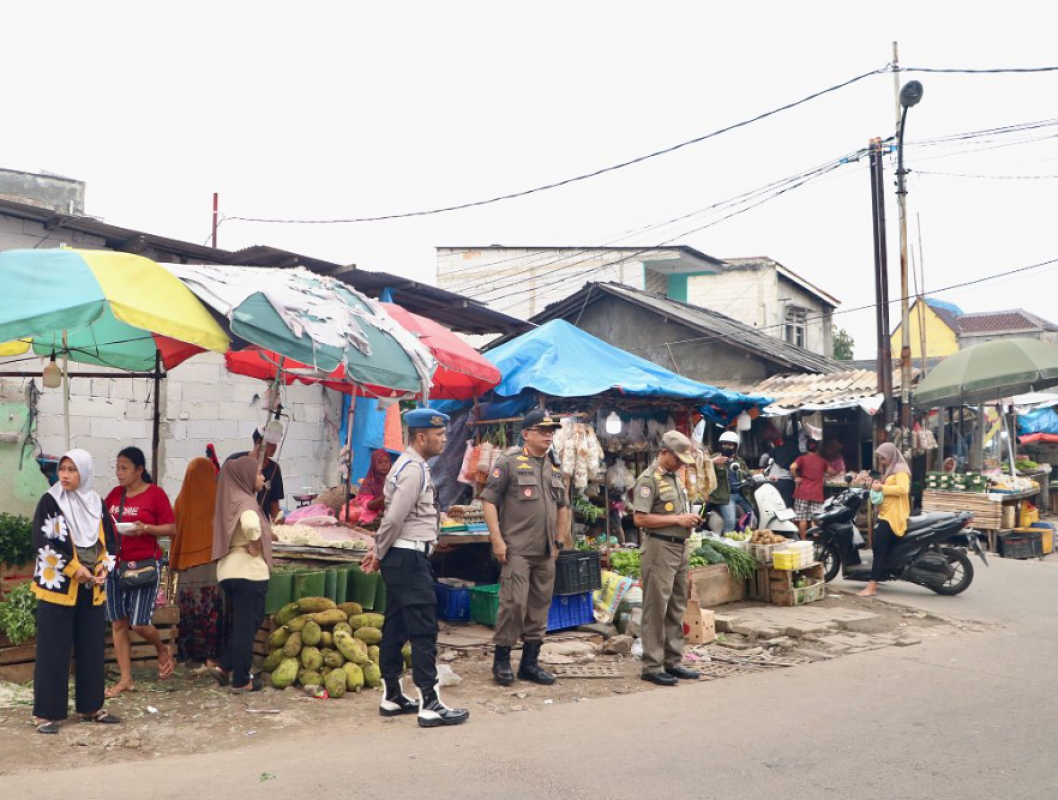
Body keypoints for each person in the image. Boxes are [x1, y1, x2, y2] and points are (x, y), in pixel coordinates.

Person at [360, 409, 469, 728]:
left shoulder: (411, 465)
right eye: (440, 435)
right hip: (407, 558)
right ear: (421, 437)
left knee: (395, 625)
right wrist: (378, 551)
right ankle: (430, 703)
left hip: (402, 556)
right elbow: (394, 518)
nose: (445, 439)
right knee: (423, 629)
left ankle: (392, 696)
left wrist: (382, 552)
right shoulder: (412, 470)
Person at [30, 449, 121, 734]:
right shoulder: (51, 502)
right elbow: (42, 543)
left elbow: (111, 543)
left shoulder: (97, 503)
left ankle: (90, 706)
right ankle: (46, 713)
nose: (65, 475)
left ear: (85, 472)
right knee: (53, 650)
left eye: (72, 470)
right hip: (58, 587)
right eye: (62, 469)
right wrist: (72, 568)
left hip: (92, 588)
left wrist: (105, 567)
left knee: (92, 647)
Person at [481, 409, 569, 687]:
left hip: (545, 551)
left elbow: (563, 506)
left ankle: (530, 663)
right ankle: (502, 659)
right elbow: (489, 501)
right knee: (514, 604)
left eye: (551, 431)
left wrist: (558, 540)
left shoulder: (554, 466)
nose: (548, 435)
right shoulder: (508, 462)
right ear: (525, 433)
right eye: (542, 430)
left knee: (539, 607)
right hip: (516, 548)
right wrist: (497, 539)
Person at [104, 447, 177, 696]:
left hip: (144, 564)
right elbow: (103, 521)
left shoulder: (155, 495)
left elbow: (172, 528)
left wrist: (146, 528)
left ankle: (160, 648)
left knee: (139, 624)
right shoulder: (115, 495)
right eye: (117, 467)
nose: (119, 473)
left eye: (124, 468)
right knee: (117, 622)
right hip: (115, 564)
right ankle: (126, 679)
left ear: (139, 470)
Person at [632, 430, 702, 687]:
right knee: (656, 609)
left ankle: (673, 661)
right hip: (659, 549)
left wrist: (689, 520)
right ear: (664, 453)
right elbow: (639, 519)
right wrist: (677, 520)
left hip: (680, 548)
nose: (682, 464)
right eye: (678, 459)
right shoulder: (648, 479)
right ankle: (652, 665)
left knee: (676, 607)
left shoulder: (674, 477)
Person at [210, 456, 271, 692]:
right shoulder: (246, 502)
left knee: (245, 624)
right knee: (248, 627)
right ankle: (242, 680)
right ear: (245, 477)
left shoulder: (229, 499)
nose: (263, 478)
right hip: (249, 572)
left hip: (229, 570)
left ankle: (224, 666)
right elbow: (251, 525)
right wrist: (256, 541)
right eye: (258, 474)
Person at [171, 458, 226, 665]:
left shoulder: (181, 500)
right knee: (210, 611)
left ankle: (188, 656)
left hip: (188, 568)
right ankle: (211, 657)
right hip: (212, 566)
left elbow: (173, 528)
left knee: (189, 611)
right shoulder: (217, 498)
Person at [858, 443, 911, 598]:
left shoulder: (900, 470)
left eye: (883, 458)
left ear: (891, 456)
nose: (881, 461)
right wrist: (873, 484)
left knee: (880, 551)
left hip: (893, 515)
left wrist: (882, 488)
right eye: (880, 458)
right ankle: (879, 577)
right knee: (880, 550)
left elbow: (903, 490)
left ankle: (872, 586)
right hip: (886, 513)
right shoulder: (891, 470)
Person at [227, 429, 285, 521]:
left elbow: (274, 501)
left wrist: (277, 520)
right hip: (236, 522)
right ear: (259, 442)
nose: (275, 447)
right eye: (271, 443)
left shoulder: (274, 469)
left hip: (262, 525)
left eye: (275, 444)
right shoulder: (235, 461)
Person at [708, 431, 749, 534]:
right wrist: (712, 462)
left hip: (740, 494)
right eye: (725, 444)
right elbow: (701, 466)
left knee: (752, 515)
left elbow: (747, 473)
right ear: (720, 445)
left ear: (735, 447)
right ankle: (727, 543)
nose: (727, 446)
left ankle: (744, 538)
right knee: (730, 522)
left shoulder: (740, 461)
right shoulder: (714, 458)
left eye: (730, 445)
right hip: (725, 496)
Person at [791, 439, 828, 540]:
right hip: (816, 492)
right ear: (817, 449)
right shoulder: (822, 461)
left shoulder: (801, 458)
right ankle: (815, 538)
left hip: (802, 491)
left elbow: (792, 467)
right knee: (815, 517)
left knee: (802, 518)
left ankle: (803, 540)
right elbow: (832, 472)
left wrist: (796, 477)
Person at [352, 449, 395, 525]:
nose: (384, 465)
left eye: (386, 462)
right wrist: (384, 498)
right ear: (374, 464)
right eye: (380, 462)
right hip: (371, 518)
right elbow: (368, 506)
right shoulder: (369, 483)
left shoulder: (394, 479)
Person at [762, 427, 800, 509]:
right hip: (787, 482)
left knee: (775, 505)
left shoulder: (778, 449)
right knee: (787, 506)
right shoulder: (796, 450)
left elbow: (764, 457)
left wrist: (762, 466)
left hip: (774, 481)